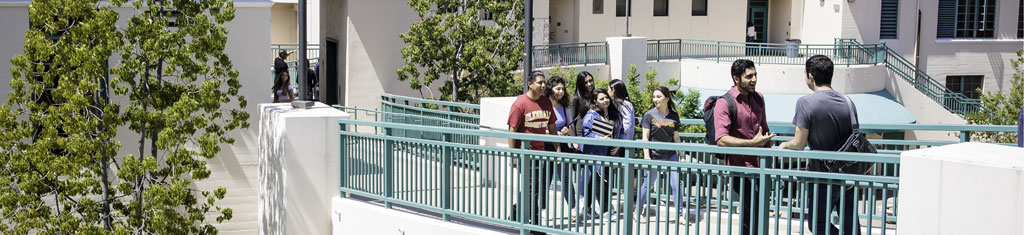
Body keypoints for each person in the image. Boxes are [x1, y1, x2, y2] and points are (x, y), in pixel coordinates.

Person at [778, 55, 862, 235]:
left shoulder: (806, 103)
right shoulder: (848, 102)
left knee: (817, 225)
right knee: (850, 225)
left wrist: (784, 145)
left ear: (810, 76)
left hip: (822, 174)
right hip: (848, 172)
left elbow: (799, 144)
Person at [712, 59, 775, 235]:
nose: (754, 79)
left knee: (759, 211)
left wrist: (768, 147)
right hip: (741, 168)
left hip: (761, 166)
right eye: (749, 76)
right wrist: (751, 144)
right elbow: (721, 139)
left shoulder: (759, 98)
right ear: (736, 78)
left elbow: (764, 127)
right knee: (751, 212)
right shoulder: (724, 103)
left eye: (755, 75)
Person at [506, 71, 558, 235]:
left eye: (544, 83)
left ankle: (516, 214)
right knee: (533, 189)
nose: (543, 86)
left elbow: (552, 127)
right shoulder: (520, 104)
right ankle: (532, 225)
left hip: (540, 152)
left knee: (533, 188)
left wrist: (558, 148)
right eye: (540, 83)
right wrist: (514, 155)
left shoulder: (546, 103)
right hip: (525, 153)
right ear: (530, 84)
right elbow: (512, 130)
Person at [634, 86, 686, 223]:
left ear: (667, 98)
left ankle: (680, 215)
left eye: (658, 97)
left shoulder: (674, 116)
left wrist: (681, 155)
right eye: (654, 97)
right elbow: (645, 137)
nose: (655, 99)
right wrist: (647, 156)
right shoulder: (649, 115)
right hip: (653, 155)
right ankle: (637, 211)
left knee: (676, 184)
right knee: (648, 185)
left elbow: (676, 137)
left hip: (670, 155)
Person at [578, 88, 618, 220]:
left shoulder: (611, 114)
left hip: (605, 152)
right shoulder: (591, 115)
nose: (605, 100)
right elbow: (586, 134)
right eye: (601, 99)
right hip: (594, 153)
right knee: (600, 181)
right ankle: (605, 211)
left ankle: (588, 209)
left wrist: (616, 143)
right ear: (595, 101)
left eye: (606, 97)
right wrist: (601, 139)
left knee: (597, 181)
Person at [544, 75, 578, 211]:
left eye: (563, 89)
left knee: (565, 178)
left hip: (561, 146)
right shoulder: (543, 105)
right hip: (546, 145)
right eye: (558, 89)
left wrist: (567, 131)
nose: (561, 92)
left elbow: (571, 127)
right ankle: (541, 210)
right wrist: (551, 133)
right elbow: (538, 128)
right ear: (550, 89)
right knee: (545, 180)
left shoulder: (565, 107)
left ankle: (573, 208)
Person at [609, 79, 636, 156]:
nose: (607, 92)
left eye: (608, 89)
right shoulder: (617, 103)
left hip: (623, 143)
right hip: (619, 142)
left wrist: (620, 142)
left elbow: (627, 127)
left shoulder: (625, 104)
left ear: (613, 90)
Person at [569, 71, 597, 136]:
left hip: (595, 134)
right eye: (586, 82)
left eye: (590, 81)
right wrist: (574, 140)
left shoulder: (596, 96)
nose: (589, 84)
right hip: (581, 135)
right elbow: (571, 121)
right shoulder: (576, 98)